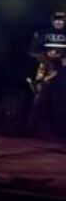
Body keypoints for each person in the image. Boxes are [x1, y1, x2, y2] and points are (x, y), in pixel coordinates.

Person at [26, 10, 66, 138]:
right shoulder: (43, 33)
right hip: (45, 71)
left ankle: (60, 132)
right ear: (52, 20)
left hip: (63, 73)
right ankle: (30, 131)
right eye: (56, 20)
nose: (59, 22)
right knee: (39, 101)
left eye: (61, 20)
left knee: (61, 102)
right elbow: (31, 51)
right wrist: (45, 55)